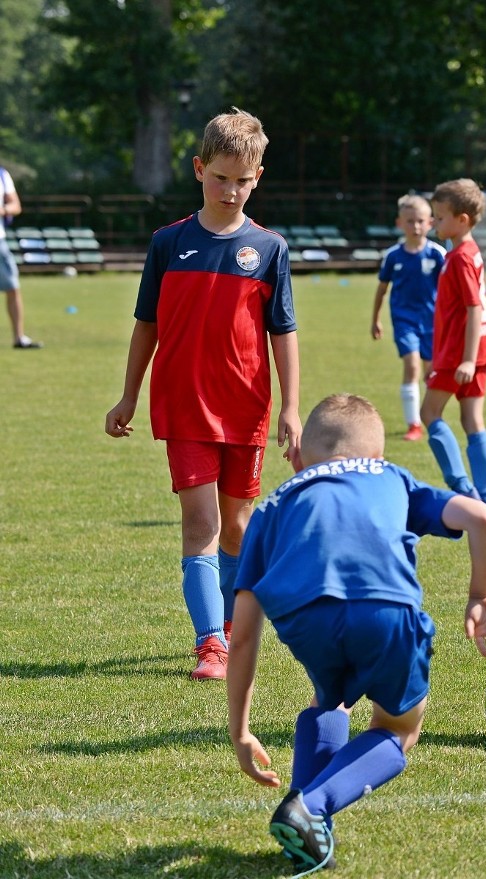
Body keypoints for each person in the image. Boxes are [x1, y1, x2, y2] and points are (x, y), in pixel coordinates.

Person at [227, 393, 486, 874]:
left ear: (299, 456)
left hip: (302, 617)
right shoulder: (391, 476)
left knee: (330, 701)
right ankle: (311, 807)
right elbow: (482, 517)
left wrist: (240, 732)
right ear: (376, 456)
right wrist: (481, 594)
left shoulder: (272, 506)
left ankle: (310, 833)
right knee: (399, 729)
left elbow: (242, 636)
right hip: (384, 608)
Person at [104, 107, 301, 682]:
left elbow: (282, 331)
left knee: (237, 527)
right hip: (184, 406)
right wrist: (128, 396)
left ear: (258, 177)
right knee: (200, 524)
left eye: (243, 180)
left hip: (246, 409)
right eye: (221, 177)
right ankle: (211, 643)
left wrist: (289, 406)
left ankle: (235, 624)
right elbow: (147, 325)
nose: (231, 190)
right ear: (198, 169)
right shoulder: (169, 243)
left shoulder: (269, 249)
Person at [421, 178, 486, 519]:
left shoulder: (458, 258)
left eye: (439, 217)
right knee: (472, 420)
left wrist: (466, 360)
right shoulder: (468, 252)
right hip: (481, 345)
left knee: (430, 414)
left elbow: (472, 308)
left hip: (462, 351)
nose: (433, 223)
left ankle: (462, 487)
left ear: (462, 220)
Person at [370, 194, 445, 442]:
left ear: (430, 223)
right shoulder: (393, 256)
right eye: (410, 221)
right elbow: (382, 289)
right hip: (404, 320)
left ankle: (430, 416)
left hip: (433, 322)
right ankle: (414, 424)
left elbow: (448, 291)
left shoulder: (437, 254)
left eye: (420, 221)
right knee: (412, 365)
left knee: (430, 372)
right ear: (399, 223)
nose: (415, 226)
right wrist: (375, 319)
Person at [1, 165, 42, 349]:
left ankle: (19, 338)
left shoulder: (2, 174)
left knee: (13, 288)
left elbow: (15, 205)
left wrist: (3, 210)